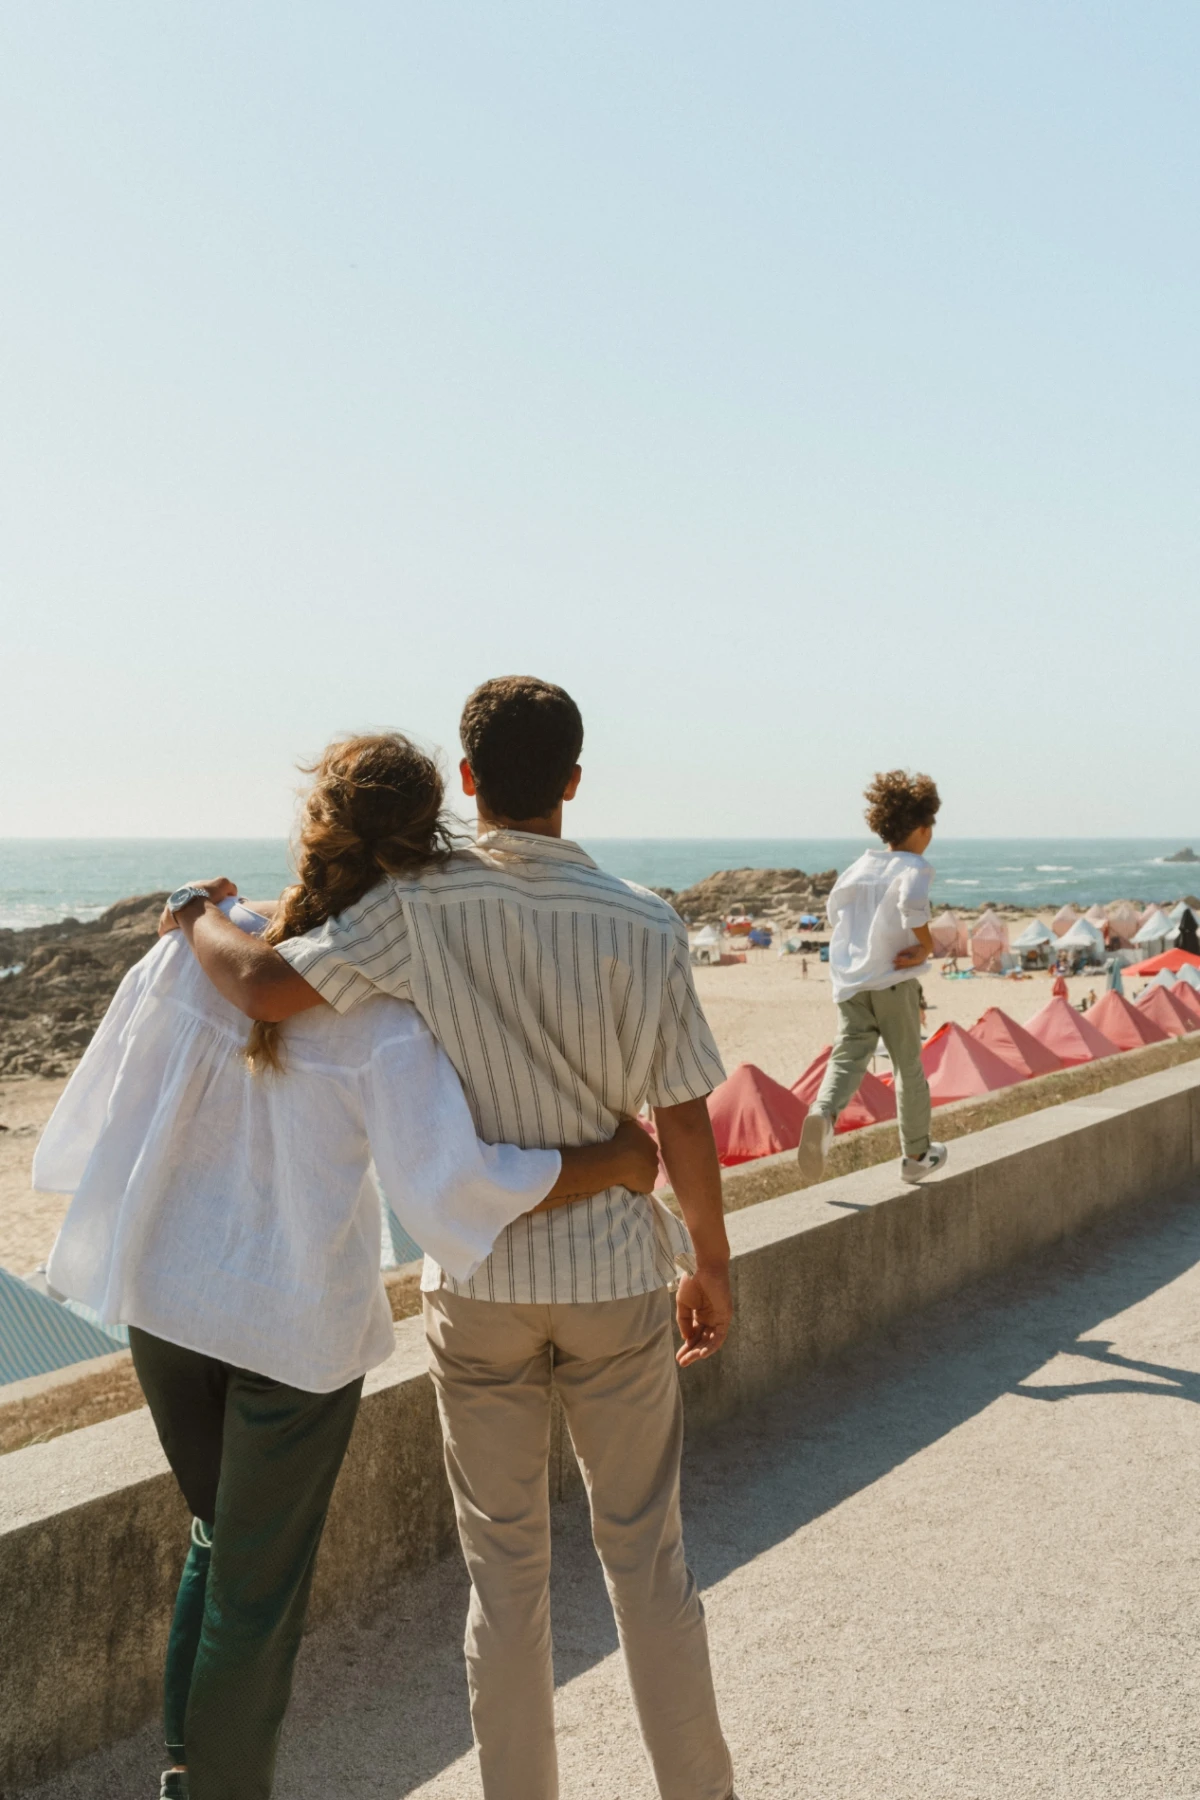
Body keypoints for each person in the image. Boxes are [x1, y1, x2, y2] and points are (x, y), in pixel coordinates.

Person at [36, 734, 657, 1800]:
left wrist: (194, 916)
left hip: (164, 1305)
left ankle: (187, 1772)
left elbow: (98, 1122)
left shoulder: (191, 952)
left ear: (312, 825)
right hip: (287, 1331)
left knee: (216, 1535)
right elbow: (452, 1188)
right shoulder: (388, 1018)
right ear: (424, 849)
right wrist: (611, 1158)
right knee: (255, 1593)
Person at [160, 679, 736, 1800]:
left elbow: (267, 991)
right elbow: (681, 1115)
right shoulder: (646, 921)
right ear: (573, 780)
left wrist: (193, 914)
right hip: (619, 1277)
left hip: (477, 1287)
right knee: (648, 1567)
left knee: (505, 1581)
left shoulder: (418, 902)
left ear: (469, 780)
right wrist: (708, 1261)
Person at [796, 769, 948, 1188]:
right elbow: (912, 905)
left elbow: (833, 912)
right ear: (922, 828)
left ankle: (823, 1115)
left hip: (850, 981)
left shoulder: (858, 867)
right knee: (907, 1066)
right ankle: (916, 1155)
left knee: (847, 1055)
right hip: (893, 980)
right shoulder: (914, 866)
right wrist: (926, 945)